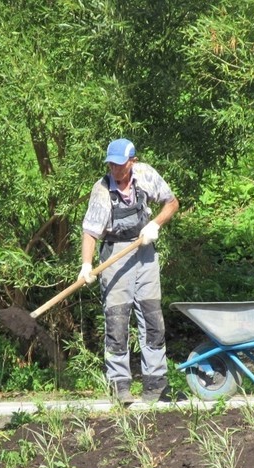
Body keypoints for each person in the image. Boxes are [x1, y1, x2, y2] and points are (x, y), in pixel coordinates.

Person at [78, 138, 180, 403]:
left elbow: (172, 203)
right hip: (114, 257)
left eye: (120, 164)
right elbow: (90, 232)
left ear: (132, 161)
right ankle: (119, 387)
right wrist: (87, 265)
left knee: (152, 319)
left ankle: (156, 385)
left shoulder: (145, 175)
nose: (114, 169)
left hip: (145, 253)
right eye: (111, 164)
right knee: (117, 320)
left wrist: (154, 225)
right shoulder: (101, 189)